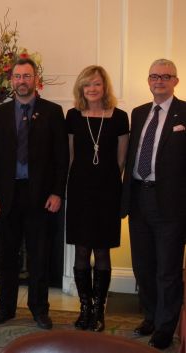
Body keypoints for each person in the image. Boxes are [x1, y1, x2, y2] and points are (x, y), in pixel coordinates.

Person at [0, 58, 69, 329]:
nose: (22, 81)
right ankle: (5, 308)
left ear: (36, 79)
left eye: (27, 76)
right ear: (11, 80)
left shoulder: (53, 112)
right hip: (6, 196)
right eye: (17, 76)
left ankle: (39, 309)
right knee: (6, 257)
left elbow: (61, 158)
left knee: (39, 257)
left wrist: (58, 192)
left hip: (41, 197)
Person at [121, 58, 186, 350]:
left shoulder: (184, 112)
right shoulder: (138, 113)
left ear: (176, 81)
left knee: (168, 270)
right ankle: (149, 316)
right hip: (139, 198)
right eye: (153, 76)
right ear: (148, 81)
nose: (158, 81)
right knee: (143, 267)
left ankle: (164, 327)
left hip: (171, 204)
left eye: (165, 76)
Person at [66, 66, 129, 332]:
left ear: (105, 87)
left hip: (107, 193)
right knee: (81, 251)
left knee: (102, 252)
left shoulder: (120, 117)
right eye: (87, 85)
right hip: (80, 192)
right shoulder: (72, 116)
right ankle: (84, 309)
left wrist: (107, 185)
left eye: (97, 84)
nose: (92, 89)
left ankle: (99, 311)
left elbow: (121, 160)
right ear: (81, 89)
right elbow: (70, 157)